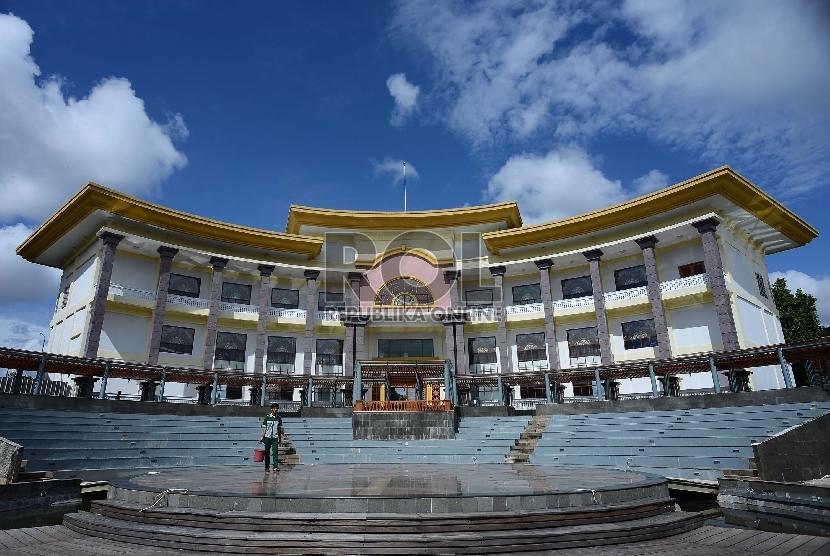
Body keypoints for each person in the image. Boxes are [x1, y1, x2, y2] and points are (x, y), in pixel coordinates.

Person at [259, 403, 283, 472]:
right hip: (267, 437)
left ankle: (275, 466)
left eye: (277, 408)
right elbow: (264, 428)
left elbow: (279, 429)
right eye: (275, 408)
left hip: (275, 437)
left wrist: (280, 438)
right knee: (267, 452)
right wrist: (262, 437)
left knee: (275, 451)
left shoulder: (279, 418)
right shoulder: (267, 417)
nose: (276, 410)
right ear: (271, 409)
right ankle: (267, 467)